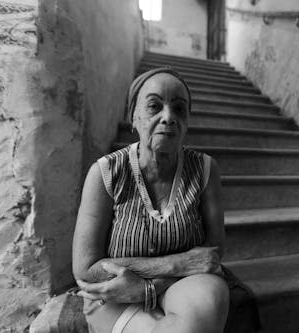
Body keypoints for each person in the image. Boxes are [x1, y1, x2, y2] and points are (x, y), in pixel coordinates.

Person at [72, 68, 230, 333]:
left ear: (188, 121)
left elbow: (211, 253)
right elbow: (87, 268)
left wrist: (150, 287)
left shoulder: (205, 169)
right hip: (115, 292)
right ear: (132, 116)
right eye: (154, 106)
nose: (168, 117)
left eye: (179, 109)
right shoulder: (105, 173)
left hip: (182, 283)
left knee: (209, 303)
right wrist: (176, 264)